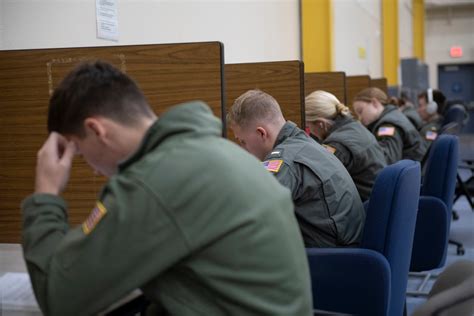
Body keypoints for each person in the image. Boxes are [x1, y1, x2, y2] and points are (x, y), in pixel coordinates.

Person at [21, 61, 313, 316]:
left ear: (97, 131)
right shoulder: (210, 150)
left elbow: (59, 299)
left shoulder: (154, 182)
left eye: (82, 154)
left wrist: (46, 193)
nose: (93, 169)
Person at [227, 89, 365, 248]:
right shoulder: (302, 144)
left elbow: (252, 211)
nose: (243, 149)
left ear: (261, 133)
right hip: (342, 248)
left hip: (330, 258)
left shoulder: (285, 160)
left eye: (243, 142)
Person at [305, 90, 386, 202]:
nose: (310, 131)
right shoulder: (356, 127)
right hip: (376, 200)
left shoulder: (337, 145)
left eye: (308, 126)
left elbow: (317, 184)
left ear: (321, 124)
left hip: (364, 208)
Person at [353, 87, 427, 165]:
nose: (359, 118)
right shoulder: (393, 115)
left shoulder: (388, 125)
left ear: (375, 103)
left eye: (360, 111)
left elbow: (387, 160)